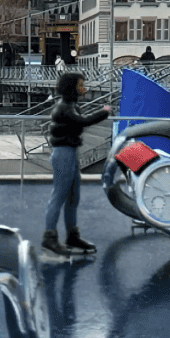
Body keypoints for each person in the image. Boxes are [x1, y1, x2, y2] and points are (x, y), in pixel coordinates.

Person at [41, 69, 109, 260]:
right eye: (81, 85)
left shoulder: (70, 106)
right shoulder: (65, 108)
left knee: (72, 197)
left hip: (70, 154)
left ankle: (72, 236)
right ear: (73, 88)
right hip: (63, 154)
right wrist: (104, 112)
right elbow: (83, 122)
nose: (84, 88)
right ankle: (50, 237)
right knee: (59, 196)